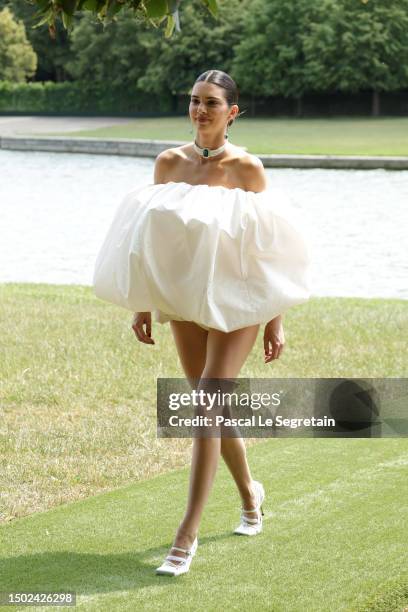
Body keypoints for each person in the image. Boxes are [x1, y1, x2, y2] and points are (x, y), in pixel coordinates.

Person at [93, 69, 310, 577]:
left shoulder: (248, 170)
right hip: (185, 300)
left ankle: (185, 537)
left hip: (239, 301)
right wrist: (141, 303)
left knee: (206, 407)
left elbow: (270, 253)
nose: (200, 110)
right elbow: (146, 241)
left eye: (212, 103)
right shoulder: (168, 163)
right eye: (194, 101)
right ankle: (251, 496)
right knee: (211, 409)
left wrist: (274, 320)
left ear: (233, 112)